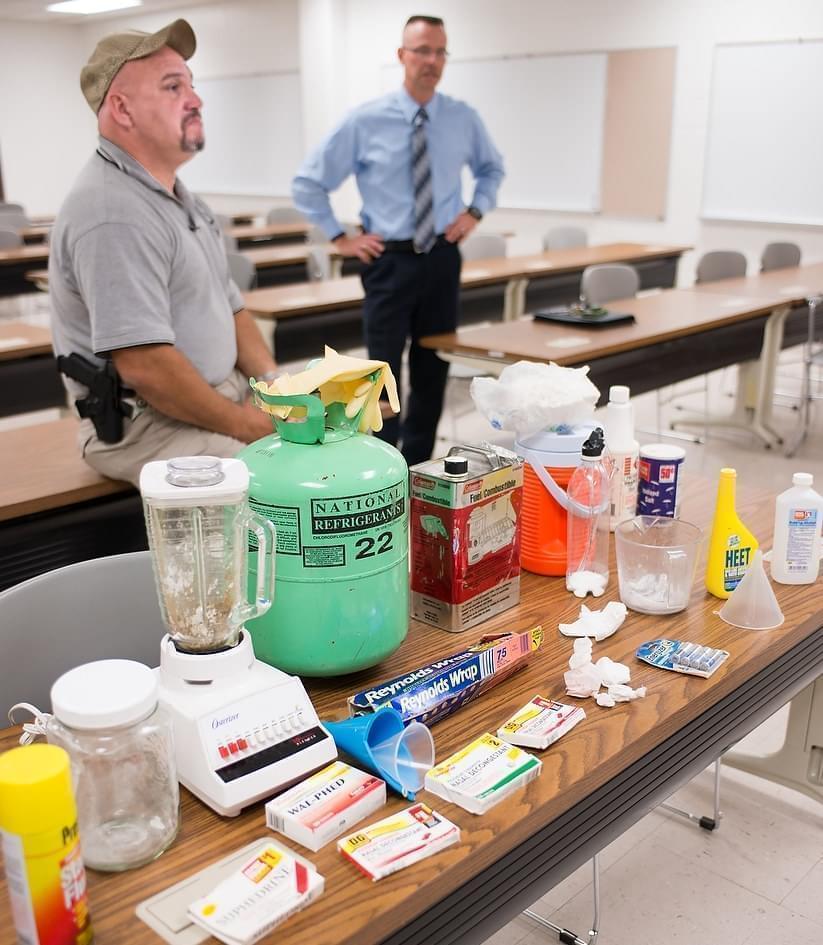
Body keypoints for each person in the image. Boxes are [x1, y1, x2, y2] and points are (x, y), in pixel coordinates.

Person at [49, 19, 277, 487]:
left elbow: (232, 308)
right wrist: (249, 425)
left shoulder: (178, 197)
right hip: (148, 426)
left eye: (191, 85)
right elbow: (146, 364)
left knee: (329, 453)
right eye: (173, 87)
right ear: (122, 110)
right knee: (281, 486)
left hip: (215, 403)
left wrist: (273, 387)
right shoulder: (112, 211)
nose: (195, 100)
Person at [292, 14, 504, 466]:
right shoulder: (365, 121)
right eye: (422, 50)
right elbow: (308, 183)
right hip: (389, 262)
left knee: (433, 369)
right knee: (381, 375)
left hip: (442, 258)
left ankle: (419, 469)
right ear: (402, 56)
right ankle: (383, 467)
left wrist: (475, 211)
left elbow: (492, 169)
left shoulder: (461, 117)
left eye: (440, 52)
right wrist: (339, 236)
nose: (431, 61)